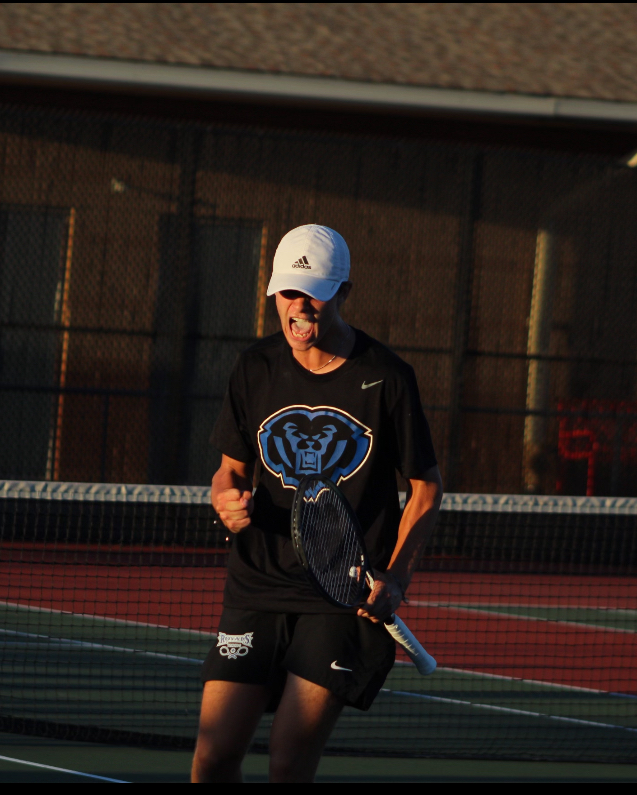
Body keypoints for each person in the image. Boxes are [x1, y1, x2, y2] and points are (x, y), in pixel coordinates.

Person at [192, 224, 443, 782]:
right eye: (288, 292)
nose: (300, 306)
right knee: (212, 757)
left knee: (288, 762)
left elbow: (426, 488)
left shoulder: (388, 378)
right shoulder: (255, 368)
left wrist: (396, 577)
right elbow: (228, 472)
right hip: (257, 584)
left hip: (342, 599)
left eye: (315, 293)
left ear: (343, 292)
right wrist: (223, 500)